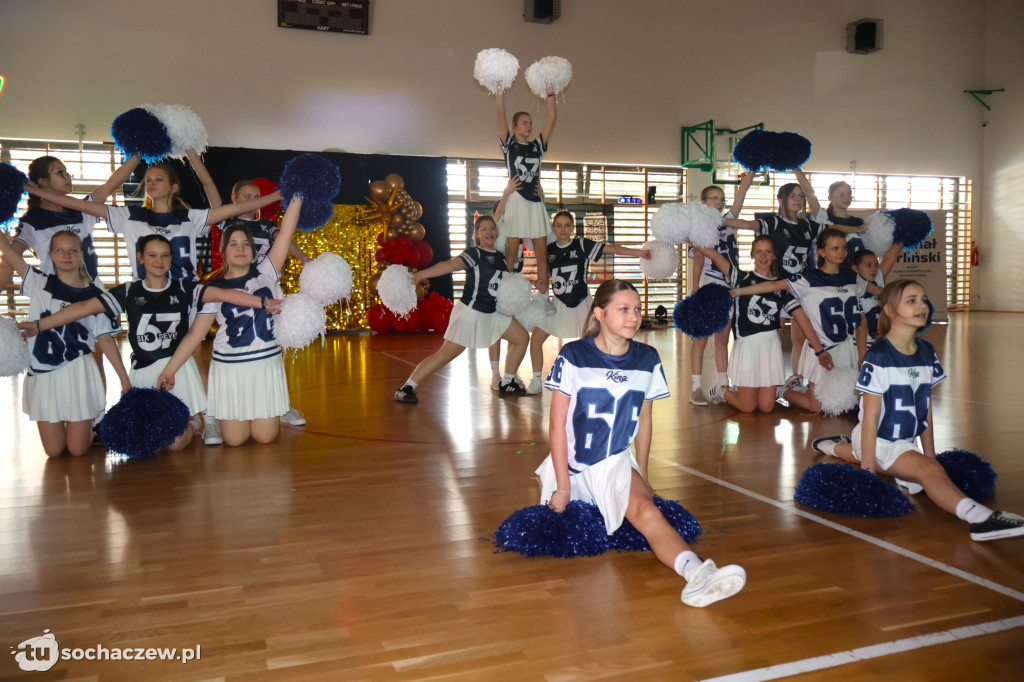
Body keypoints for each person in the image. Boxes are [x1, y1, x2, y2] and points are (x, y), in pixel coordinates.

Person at [536, 279, 746, 606]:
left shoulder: (647, 358)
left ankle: (697, 575)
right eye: (624, 309)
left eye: (637, 309)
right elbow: (557, 424)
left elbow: (644, 421)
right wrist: (562, 484)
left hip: (613, 459)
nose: (634, 317)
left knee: (646, 510)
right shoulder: (573, 354)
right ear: (600, 313)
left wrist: (643, 474)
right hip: (574, 463)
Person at [19, 234, 278, 451]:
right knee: (148, 441)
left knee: (174, 444)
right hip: (144, 371)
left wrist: (263, 302)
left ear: (171, 260)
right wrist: (41, 325)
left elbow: (223, 293)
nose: (159, 261)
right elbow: (84, 307)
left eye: (165, 255)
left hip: (176, 370)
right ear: (141, 258)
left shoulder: (185, 288)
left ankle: (195, 421)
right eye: (152, 255)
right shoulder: (129, 290)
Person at [811, 279, 1024, 541]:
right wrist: (868, 476)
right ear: (889, 310)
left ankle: (829, 446)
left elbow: (925, 409)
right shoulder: (878, 356)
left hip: (903, 441)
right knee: (928, 472)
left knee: (918, 464)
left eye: (923, 299)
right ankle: (980, 519)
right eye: (911, 300)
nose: (922, 305)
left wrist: (931, 454)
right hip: (880, 439)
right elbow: (871, 417)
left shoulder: (927, 351)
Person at [156, 197, 301, 447]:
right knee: (235, 441)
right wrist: (170, 369)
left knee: (265, 438)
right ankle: (208, 419)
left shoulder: (267, 272)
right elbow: (194, 336)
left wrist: (298, 192)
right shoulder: (213, 288)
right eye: (233, 243)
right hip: (230, 369)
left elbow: (286, 231)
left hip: (265, 365)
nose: (241, 247)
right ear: (223, 251)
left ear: (254, 250)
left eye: (246, 243)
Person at [23, 151, 281, 282]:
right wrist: (29, 189)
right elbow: (77, 203)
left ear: (174, 187)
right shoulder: (130, 216)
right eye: (148, 180)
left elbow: (231, 206)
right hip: (145, 295)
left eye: (159, 179)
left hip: (184, 294)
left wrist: (279, 195)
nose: (151, 183)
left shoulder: (190, 217)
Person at [1, 230, 130, 457]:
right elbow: (10, 253)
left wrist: (124, 378)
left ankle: (90, 427)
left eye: (72, 250)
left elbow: (106, 339)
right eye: (59, 250)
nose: (66, 255)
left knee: (77, 450)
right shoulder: (38, 282)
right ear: (50, 254)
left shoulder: (96, 295)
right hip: (43, 373)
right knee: (54, 451)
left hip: (78, 372)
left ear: (82, 255)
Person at [724, 169, 863, 373]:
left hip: (800, 287)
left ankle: (796, 378)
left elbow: (834, 230)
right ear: (782, 200)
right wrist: (721, 221)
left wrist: (858, 230)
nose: (798, 199)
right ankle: (765, 377)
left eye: (800, 196)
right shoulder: (773, 222)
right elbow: (746, 224)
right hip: (777, 286)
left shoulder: (808, 225)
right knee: (772, 334)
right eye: (793, 196)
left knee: (800, 337)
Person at [207, 178, 310, 428]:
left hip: (267, 282)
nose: (253, 201)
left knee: (275, 346)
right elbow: (210, 190)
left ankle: (279, 404)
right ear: (234, 198)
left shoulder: (266, 224)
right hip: (235, 285)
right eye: (247, 196)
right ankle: (218, 412)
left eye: (256, 196)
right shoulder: (228, 220)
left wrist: (303, 257)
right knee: (233, 343)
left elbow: (284, 237)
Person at [395, 214, 530, 403]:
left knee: (522, 338)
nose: (489, 232)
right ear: (477, 234)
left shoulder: (501, 257)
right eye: (484, 229)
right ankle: (406, 387)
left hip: (493, 313)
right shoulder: (474, 253)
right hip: (471, 313)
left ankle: (508, 381)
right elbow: (449, 265)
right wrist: (421, 275)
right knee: (444, 356)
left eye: (492, 228)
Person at [731, 228, 867, 413]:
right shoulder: (808, 278)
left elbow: (860, 319)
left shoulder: (852, 278)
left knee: (844, 405)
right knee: (817, 408)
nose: (841, 252)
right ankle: (783, 390)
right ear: (821, 251)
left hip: (846, 346)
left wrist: (862, 354)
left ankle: (797, 390)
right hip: (822, 347)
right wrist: (737, 291)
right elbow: (773, 285)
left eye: (843, 248)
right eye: (835, 248)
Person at [523, 210, 651, 395]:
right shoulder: (548, 250)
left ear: (573, 228)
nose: (563, 229)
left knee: (597, 341)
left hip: (582, 303)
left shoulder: (582, 244)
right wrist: (538, 282)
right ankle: (536, 381)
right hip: (558, 304)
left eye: (567, 225)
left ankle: (604, 377)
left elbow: (611, 249)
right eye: (559, 225)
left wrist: (639, 253)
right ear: (553, 228)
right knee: (535, 339)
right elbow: (545, 275)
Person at [696, 236, 791, 413]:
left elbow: (781, 323)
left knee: (766, 407)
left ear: (774, 255)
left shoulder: (781, 284)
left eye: (768, 251)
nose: (763, 256)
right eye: (758, 251)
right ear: (752, 255)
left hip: (770, 347)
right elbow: (716, 257)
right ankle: (721, 390)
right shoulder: (741, 277)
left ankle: (765, 391)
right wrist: (693, 241)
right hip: (747, 346)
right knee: (748, 407)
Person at [687, 172, 754, 406]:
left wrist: (751, 172)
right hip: (708, 284)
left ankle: (723, 384)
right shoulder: (697, 227)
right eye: (714, 198)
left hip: (729, 285)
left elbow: (741, 196)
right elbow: (697, 259)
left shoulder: (728, 222)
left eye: (721, 198)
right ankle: (696, 388)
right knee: (700, 339)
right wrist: (695, 287)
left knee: (722, 338)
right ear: (703, 203)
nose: (719, 202)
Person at [495, 87, 556, 291]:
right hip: (516, 200)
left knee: (541, 253)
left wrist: (550, 94)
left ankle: (543, 297)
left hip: (535, 202)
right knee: (511, 251)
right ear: (515, 126)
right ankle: (505, 294)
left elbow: (552, 117)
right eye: (524, 123)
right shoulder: (510, 146)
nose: (529, 126)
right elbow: (500, 114)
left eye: (530, 123)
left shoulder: (537, 146)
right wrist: (499, 90)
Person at [850, 243, 903, 358]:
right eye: (868, 265)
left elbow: (890, 258)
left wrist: (905, 235)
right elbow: (883, 293)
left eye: (875, 265)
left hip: (878, 338)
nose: (874, 269)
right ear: (855, 268)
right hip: (860, 342)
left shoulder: (876, 275)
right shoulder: (856, 280)